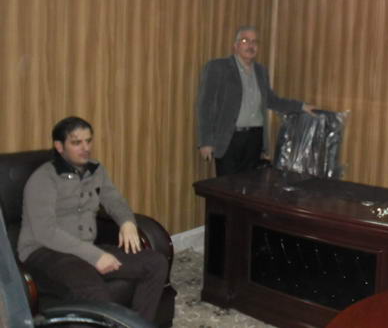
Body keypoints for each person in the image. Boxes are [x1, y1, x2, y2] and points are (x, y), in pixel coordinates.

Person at [17, 117, 168, 322]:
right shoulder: (43, 179)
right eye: (77, 143)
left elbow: (114, 200)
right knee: (91, 287)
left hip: (84, 249)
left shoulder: (96, 170)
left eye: (88, 141)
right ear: (59, 146)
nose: (85, 148)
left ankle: (136, 325)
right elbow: (46, 232)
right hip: (44, 254)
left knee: (155, 263)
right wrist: (95, 256)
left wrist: (127, 223)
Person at [197, 25, 314, 176]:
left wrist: (302, 106)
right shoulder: (218, 67)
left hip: (255, 139)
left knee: (249, 185)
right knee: (226, 186)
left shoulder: (261, 71)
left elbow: (272, 100)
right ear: (235, 45)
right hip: (229, 139)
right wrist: (206, 141)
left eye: (254, 42)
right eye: (245, 41)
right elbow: (205, 105)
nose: (250, 45)